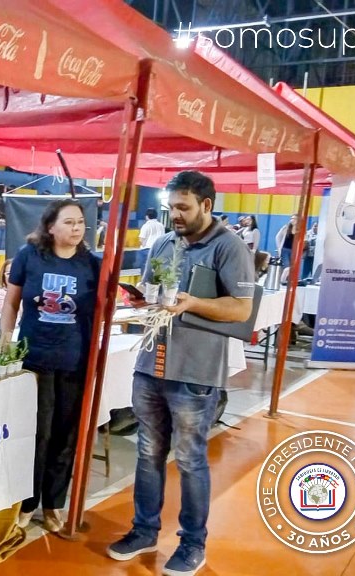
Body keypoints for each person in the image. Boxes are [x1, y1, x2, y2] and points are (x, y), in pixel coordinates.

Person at [107, 171, 254, 576]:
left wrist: (191, 304)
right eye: (171, 206)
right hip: (150, 365)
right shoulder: (163, 243)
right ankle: (144, 530)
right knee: (147, 452)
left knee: (189, 458)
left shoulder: (230, 247)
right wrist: (138, 302)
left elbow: (241, 310)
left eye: (183, 208)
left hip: (195, 372)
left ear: (207, 206)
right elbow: (155, 296)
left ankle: (193, 544)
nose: (174, 214)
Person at [0, 199, 100, 534]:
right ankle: (27, 503)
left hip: (75, 361)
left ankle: (55, 504)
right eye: (68, 222)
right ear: (50, 226)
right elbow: (12, 302)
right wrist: (5, 338)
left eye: (80, 223)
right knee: (37, 435)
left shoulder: (93, 264)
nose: (76, 228)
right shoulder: (29, 256)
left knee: (65, 435)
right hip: (35, 358)